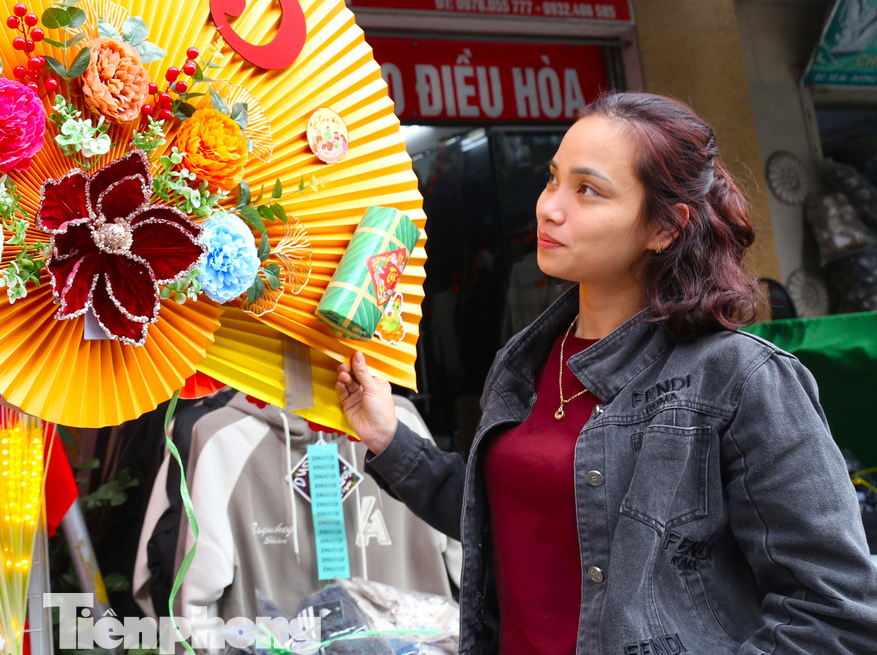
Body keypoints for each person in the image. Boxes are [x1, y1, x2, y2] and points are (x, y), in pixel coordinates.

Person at [336, 92, 877, 654]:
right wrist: (388, 438)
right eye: (553, 179)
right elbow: (513, 525)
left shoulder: (740, 379)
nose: (549, 207)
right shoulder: (524, 361)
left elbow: (834, 609)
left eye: (587, 190)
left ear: (665, 228)